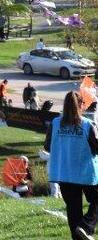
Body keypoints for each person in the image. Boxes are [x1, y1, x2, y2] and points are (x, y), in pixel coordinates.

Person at [44, 90, 98, 240]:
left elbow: (48, 146)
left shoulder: (55, 124)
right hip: (85, 172)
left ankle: (79, 233)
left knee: (74, 212)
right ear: (81, 105)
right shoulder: (87, 124)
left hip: (64, 173)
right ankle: (87, 226)